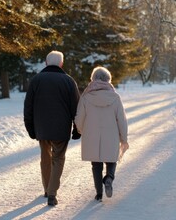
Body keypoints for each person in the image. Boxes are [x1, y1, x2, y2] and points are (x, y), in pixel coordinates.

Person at [23, 50, 80, 206]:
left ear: (46, 63)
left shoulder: (36, 80)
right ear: (61, 63)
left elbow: (28, 106)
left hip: (41, 127)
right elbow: (76, 107)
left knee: (45, 157)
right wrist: (77, 128)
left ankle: (47, 189)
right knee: (58, 159)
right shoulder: (69, 81)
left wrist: (30, 126)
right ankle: (52, 193)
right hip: (61, 128)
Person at [74, 66, 129, 202]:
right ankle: (109, 178)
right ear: (108, 79)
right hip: (111, 135)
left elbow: (79, 117)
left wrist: (81, 130)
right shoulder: (115, 97)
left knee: (96, 164)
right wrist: (124, 137)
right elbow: (121, 119)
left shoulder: (86, 96)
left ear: (93, 78)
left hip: (91, 135)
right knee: (112, 159)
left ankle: (99, 193)